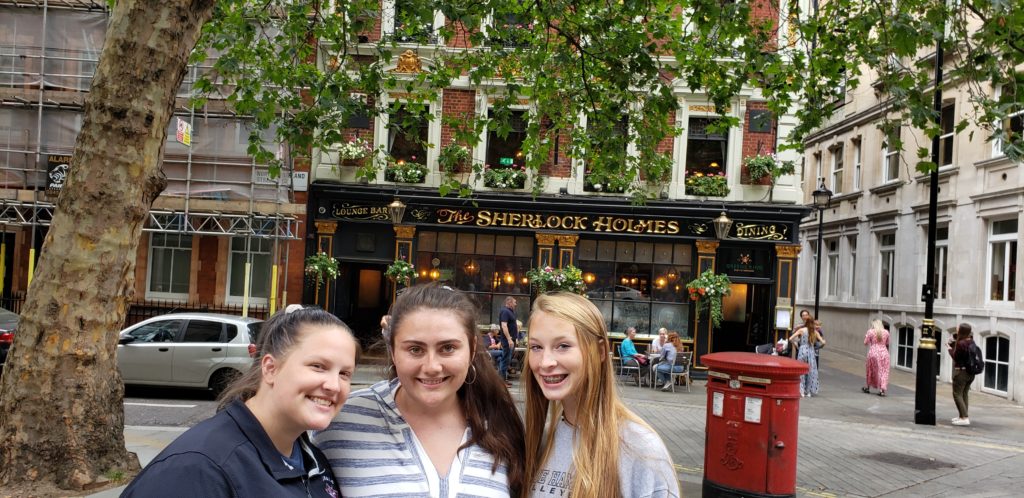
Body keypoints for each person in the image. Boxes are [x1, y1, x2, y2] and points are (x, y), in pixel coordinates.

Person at [314, 283, 526, 496]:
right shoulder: (343, 420)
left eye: (448, 348)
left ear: (471, 350)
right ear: (393, 351)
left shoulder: (501, 421)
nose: (432, 367)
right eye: (415, 349)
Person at [122, 307, 358, 497]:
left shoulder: (313, 459)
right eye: (318, 366)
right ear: (270, 368)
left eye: (344, 374)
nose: (333, 386)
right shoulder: (198, 469)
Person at [524, 292, 679, 497]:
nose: (545, 362)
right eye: (536, 347)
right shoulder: (539, 440)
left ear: (599, 352)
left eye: (563, 346)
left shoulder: (640, 449)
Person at [948, 323, 977, 426]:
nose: (956, 328)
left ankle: (964, 418)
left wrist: (949, 348)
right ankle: (962, 416)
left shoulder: (961, 344)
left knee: (957, 394)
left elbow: (956, 357)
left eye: (958, 328)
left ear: (961, 330)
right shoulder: (971, 341)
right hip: (970, 373)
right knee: (964, 394)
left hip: (961, 372)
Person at [790, 317, 826, 397]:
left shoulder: (801, 330)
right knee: (810, 371)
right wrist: (819, 347)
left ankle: (801, 391)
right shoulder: (815, 332)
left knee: (801, 371)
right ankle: (808, 391)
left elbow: (790, 338)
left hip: (802, 351)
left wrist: (795, 344)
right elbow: (823, 342)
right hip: (811, 351)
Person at [861, 319, 891, 396]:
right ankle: (882, 390)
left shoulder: (870, 331)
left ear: (873, 324)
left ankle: (868, 387)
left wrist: (867, 335)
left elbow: (865, 342)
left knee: (871, 370)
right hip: (884, 353)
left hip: (873, 352)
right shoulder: (886, 332)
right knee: (884, 371)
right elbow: (887, 343)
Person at [498, 296, 518, 385]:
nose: (515, 304)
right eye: (514, 302)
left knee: (507, 360)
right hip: (507, 341)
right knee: (505, 359)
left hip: (512, 340)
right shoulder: (505, 311)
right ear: (509, 302)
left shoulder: (510, 311)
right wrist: (509, 339)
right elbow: (504, 326)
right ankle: (501, 381)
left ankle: (503, 379)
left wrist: (514, 339)